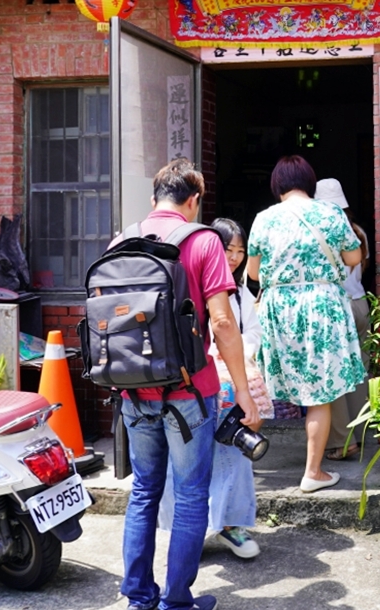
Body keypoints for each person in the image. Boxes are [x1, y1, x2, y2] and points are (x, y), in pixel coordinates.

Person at [118, 159, 258, 610]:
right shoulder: (202, 242)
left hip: (133, 391)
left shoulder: (121, 241)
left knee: (144, 490)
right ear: (194, 200)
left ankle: (139, 596)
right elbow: (222, 321)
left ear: (154, 197)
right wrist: (243, 390)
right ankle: (177, 601)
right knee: (192, 494)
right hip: (189, 393)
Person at [246, 155, 366, 493]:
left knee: (288, 388)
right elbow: (354, 257)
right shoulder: (329, 214)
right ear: (309, 183)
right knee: (320, 394)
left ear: (278, 185)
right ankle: (313, 472)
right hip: (321, 308)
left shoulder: (264, 219)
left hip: (281, 309)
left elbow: (253, 273)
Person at [158, 218, 272, 561]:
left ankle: (229, 523)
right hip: (195, 383)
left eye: (240, 252)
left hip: (228, 381)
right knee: (184, 458)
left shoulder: (239, 291)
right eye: (228, 250)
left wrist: (239, 361)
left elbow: (250, 332)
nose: (234, 258)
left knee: (232, 451)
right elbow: (217, 329)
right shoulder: (191, 283)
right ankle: (186, 529)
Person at [315, 178, 372, 462]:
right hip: (361, 304)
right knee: (360, 371)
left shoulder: (320, 232)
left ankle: (341, 441)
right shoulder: (358, 231)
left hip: (337, 307)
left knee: (334, 373)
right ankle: (360, 433)